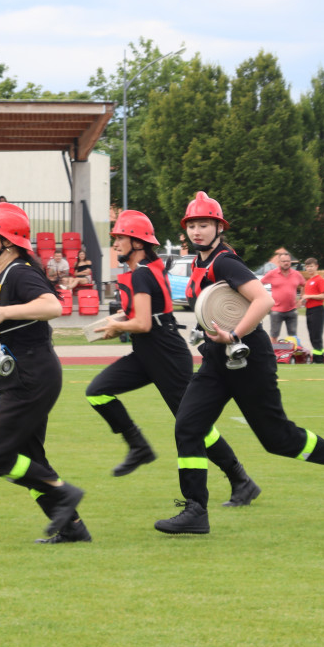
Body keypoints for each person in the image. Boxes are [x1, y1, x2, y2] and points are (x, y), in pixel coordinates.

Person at [155, 191, 324, 535]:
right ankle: (195, 510)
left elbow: (263, 300)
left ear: (218, 227)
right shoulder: (199, 263)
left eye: (204, 224)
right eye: (192, 224)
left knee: (277, 439)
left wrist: (234, 335)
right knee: (188, 425)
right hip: (217, 359)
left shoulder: (224, 261)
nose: (197, 230)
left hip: (247, 357)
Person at [87, 209, 260, 505]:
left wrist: (118, 326)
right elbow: (144, 316)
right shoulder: (146, 267)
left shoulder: (141, 272)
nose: (115, 243)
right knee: (97, 392)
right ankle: (138, 446)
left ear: (137, 243)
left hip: (165, 354)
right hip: (149, 351)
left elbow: (142, 323)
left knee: (194, 425)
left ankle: (240, 479)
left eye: (119, 237)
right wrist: (116, 321)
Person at [0, 202, 88, 544]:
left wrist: (5, 312)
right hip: (21, 374)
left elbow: (52, 306)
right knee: (30, 457)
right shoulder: (1, 275)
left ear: (7, 241)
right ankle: (72, 528)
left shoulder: (21, 271)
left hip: (31, 375)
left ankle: (64, 493)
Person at [260, 249, 306, 340]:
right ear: (279, 262)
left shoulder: (296, 274)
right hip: (276, 310)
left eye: (288, 261)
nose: (286, 263)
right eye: (284, 261)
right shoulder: (272, 274)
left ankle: (291, 354)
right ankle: (273, 354)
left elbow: (304, 285)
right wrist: (264, 298)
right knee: (274, 336)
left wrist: (302, 299)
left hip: (292, 310)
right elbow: (259, 284)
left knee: (293, 337)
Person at [301, 257, 324, 363]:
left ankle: (319, 359)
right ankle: (317, 358)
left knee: (316, 336)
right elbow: (307, 297)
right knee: (312, 336)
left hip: (318, 310)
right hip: (309, 310)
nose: (309, 269)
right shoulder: (309, 281)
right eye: (307, 266)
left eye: (311, 266)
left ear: (316, 267)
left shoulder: (319, 280)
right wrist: (302, 301)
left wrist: (310, 296)